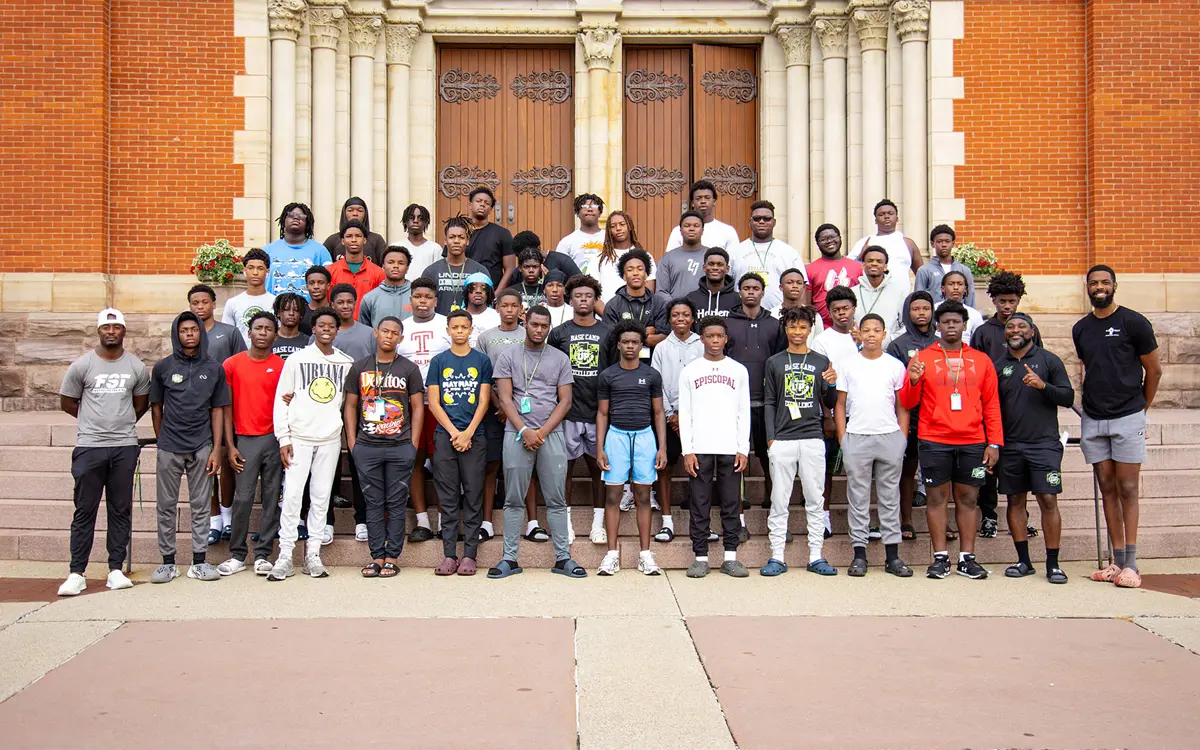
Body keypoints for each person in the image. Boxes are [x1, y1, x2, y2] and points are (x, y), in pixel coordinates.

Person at [900, 300, 1003, 580]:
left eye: (956, 322)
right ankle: (940, 557)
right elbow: (908, 402)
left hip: (972, 440)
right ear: (937, 325)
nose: (951, 326)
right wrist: (912, 380)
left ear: (964, 325)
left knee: (969, 498)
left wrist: (994, 442)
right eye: (945, 322)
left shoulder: (981, 360)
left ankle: (967, 558)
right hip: (934, 438)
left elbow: (992, 403)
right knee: (936, 498)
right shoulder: (922, 358)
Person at [1072, 265, 1161, 588]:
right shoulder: (1081, 328)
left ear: (1114, 286)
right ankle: (1117, 560)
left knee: (1128, 487)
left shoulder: (1133, 322)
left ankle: (1133, 565)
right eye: (1093, 283)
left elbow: (1154, 370)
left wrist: (1141, 409)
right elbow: (1089, 367)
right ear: (1087, 288)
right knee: (1106, 486)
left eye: (1104, 282)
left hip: (1128, 414)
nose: (1099, 287)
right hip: (1094, 417)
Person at [56, 309, 150, 597]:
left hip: (123, 446)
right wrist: (94, 423)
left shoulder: (136, 366)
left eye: (117, 327)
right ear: (98, 331)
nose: (111, 332)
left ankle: (115, 569)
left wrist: (118, 424)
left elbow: (141, 404)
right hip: (90, 446)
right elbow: (68, 402)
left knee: (120, 509)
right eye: (106, 327)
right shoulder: (82, 365)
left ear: (124, 331)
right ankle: (77, 572)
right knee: (85, 510)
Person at [488, 306, 583, 579]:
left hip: (550, 434)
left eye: (544, 326)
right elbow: (505, 398)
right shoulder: (508, 356)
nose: (539, 330)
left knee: (556, 499)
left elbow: (565, 401)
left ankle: (563, 558)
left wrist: (540, 432)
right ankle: (509, 558)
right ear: (525, 323)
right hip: (516, 434)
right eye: (535, 325)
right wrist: (525, 431)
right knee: (514, 498)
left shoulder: (560, 358)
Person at [269, 307, 355, 580]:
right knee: (293, 497)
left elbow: (345, 404)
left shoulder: (346, 363)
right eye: (321, 325)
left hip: (329, 439)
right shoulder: (296, 360)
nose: (327, 329)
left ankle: (313, 555)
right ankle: (284, 556)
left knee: (321, 497)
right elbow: (281, 399)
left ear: (337, 329)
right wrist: (284, 437)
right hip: (299, 439)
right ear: (314, 329)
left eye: (332, 325)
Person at [149, 311, 229, 584]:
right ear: (177, 334)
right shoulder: (162, 367)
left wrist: (216, 448)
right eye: (184, 331)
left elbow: (218, 410)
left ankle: (199, 561)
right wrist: (162, 441)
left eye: (193, 330)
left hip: (202, 445)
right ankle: (168, 562)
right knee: (166, 505)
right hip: (170, 446)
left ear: (200, 333)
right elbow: (156, 408)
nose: (189, 334)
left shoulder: (214, 368)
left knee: (200, 504)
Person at [995, 313, 1075, 584]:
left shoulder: (1049, 360)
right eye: (1010, 326)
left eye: (1021, 326)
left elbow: (1068, 397)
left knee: (1048, 500)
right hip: (1011, 445)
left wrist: (1043, 386)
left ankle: (1053, 564)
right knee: (1015, 501)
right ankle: (1023, 561)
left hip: (1044, 445)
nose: (1015, 330)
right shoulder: (998, 365)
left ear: (1032, 331)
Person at [760, 306, 837, 577]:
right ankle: (776, 556)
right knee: (779, 500)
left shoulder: (820, 361)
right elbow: (769, 401)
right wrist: (770, 438)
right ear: (786, 328)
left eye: (803, 327)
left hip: (812, 437)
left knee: (816, 499)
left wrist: (832, 384)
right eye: (792, 326)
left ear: (810, 329)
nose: (797, 332)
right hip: (782, 438)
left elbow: (828, 402)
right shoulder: (775, 362)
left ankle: (816, 555)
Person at [344, 316, 422, 579]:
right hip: (367, 446)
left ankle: (392, 557)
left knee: (397, 502)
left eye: (395, 333)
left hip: (400, 445)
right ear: (376, 333)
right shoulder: (360, 367)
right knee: (373, 502)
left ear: (401, 337)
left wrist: (413, 443)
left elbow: (418, 407)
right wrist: (353, 443)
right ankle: (376, 556)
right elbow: (350, 406)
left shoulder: (409, 369)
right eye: (385, 331)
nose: (389, 336)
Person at [836, 313, 913, 578]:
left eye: (876, 330)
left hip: (889, 436)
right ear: (858, 332)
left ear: (883, 334)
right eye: (866, 330)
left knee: (889, 497)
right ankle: (859, 554)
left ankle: (893, 556)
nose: (871, 335)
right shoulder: (848, 365)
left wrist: (901, 438)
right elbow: (840, 404)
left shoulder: (895, 365)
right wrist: (843, 439)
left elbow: (902, 405)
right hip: (857, 436)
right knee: (858, 498)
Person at [966, 269, 1041, 539]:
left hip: (1020, 406)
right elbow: (974, 366)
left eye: (1012, 301)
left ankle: (1023, 516)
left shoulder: (1030, 328)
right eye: (1001, 301)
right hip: (989, 405)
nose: (1007, 307)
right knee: (988, 464)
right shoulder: (985, 331)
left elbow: (1038, 360)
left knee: (1020, 466)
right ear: (993, 300)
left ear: (1019, 300)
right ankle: (988, 515)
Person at [679, 316, 751, 578]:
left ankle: (730, 556)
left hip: (730, 447)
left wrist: (743, 448)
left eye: (719, 336)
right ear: (702, 339)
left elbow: (744, 412)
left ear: (726, 338)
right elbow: (684, 413)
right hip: (700, 447)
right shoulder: (690, 370)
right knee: (700, 502)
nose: (715, 341)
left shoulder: (738, 370)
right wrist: (688, 450)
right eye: (710, 336)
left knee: (731, 502)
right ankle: (700, 557)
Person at [595, 321, 668, 576]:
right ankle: (611, 554)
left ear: (641, 345)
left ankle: (645, 555)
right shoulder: (608, 375)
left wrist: (662, 447)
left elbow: (658, 412)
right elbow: (602, 414)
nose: (630, 346)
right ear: (618, 344)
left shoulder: (651, 375)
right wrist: (600, 447)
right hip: (616, 437)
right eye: (625, 342)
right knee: (613, 496)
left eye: (634, 342)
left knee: (643, 496)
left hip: (645, 437)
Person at [217, 311, 284, 577]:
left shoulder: (281, 365)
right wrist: (230, 445)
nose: (263, 332)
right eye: (259, 328)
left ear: (274, 335)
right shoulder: (232, 365)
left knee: (271, 498)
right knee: (243, 498)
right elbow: (225, 407)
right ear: (249, 332)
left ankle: (263, 554)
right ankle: (237, 555)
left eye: (268, 328)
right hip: (244, 439)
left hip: (273, 438)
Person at [426, 310, 493, 577]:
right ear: (448, 329)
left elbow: (484, 400)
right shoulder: (439, 361)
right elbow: (434, 401)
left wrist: (468, 433)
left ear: (471, 329)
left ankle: (470, 555)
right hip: (446, 436)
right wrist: (455, 432)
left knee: (474, 494)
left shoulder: (482, 360)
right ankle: (449, 554)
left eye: (464, 327)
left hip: (474, 436)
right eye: (455, 327)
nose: (460, 331)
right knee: (448, 496)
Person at [548, 275, 612, 544]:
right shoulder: (559, 333)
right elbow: (549, 372)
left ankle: (598, 524)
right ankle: (566, 523)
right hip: (568, 413)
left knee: (600, 470)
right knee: (565, 470)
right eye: (578, 296)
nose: (583, 300)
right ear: (569, 299)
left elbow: (613, 372)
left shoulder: (608, 331)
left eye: (588, 296)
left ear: (595, 299)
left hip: (598, 412)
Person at [726, 273, 785, 541]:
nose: (751, 292)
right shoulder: (727, 323)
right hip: (734, 403)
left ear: (763, 292)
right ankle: (738, 519)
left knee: (769, 457)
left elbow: (781, 360)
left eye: (756, 288)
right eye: (746, 288)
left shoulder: (774, 325)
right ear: (740, 292)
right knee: (736, 458)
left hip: (767, 401)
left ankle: (774, 510)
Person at [187, 283, 245, 543]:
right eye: (195, 303)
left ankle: (229, 515)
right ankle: (214, 520)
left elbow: (242, 368)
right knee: (205, 464)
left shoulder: (229, 333)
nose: (200, 307)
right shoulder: (187, 333)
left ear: (214, 304)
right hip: (198, 409)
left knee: (226, 460)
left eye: (204, 302)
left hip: (227, 406)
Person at [394, 276, 451, 540]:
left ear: (435, 300)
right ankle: (422, 521)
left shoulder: (446, 326)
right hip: (409, 406)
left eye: (428, 297)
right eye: (418, 297)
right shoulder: (401, 330)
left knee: (442, 463)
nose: (422, 302)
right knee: (414, 461)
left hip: (443, 407)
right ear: (411, 300)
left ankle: (444, 521)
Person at [477, 289, 530, 539]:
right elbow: (483, 376)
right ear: (497, 307)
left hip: (524, 410)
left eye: (514, 306)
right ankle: (486, 522)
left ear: (521, 309)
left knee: (525, 466)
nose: (509, 310)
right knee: (491, 465)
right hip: (494, 409)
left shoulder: (528, 335)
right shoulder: (486, 337)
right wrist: (500, 406)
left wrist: (513, 409)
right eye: (504, 306)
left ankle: (531, 522)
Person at [650, 298, 703, 543]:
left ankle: (700, 523)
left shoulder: (702, 345)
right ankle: (667, 521)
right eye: (675, 315)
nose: (680, 319)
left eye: (685, 314)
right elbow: (657, 383)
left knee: (700, 468)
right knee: (666, 466)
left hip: (698, 417)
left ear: (693, 318)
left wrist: (690, 416)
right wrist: (672, 415)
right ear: (669, 319)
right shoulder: (662, 348)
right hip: (669, 417)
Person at [886, 292, 938, 540]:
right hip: (909, 417)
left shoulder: (941, 343)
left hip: (938, 419)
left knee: (937, 473)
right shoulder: (898, 345)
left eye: (925, 308)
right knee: (907, 472)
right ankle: (905, 520)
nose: (921, 313)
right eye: (915, 309)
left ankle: (940, 522)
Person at [812, 285, 862, 538]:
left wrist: (861, 344)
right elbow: (821, 382)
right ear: (829, 312)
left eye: (845, 308)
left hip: (863, 414)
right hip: (833, 412)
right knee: (827, 470)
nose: (841, 313)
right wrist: (828, 416)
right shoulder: (823, 341)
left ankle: (862, 520)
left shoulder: (864, 336)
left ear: (854, 309)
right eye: (836, 310)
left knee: (861, 470)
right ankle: (824, 517)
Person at [731, 200, 807, 311]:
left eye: (767, 218)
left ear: (774, 222)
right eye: (757, 219)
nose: (761, 222)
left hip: (781, 316)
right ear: (750, 222)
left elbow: (802, 288)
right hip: (742, 315)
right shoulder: (736, 251)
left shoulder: (789, 252)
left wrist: (800, 314)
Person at [601, 248, 669, 353]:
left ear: (646, 274)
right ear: (624, 276)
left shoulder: (659, 303)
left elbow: (665, 337)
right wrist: (646, 332)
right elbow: (612, 340)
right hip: (621, 363)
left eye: (640, 269)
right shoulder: (613, 305)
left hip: (652, 364)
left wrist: (627, 335)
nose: (635, 273)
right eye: (630, 269)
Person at [587, 210, 653, 307]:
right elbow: (592, 293)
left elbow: (649, 288)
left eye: (622, 224)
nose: (618, 228)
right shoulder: (598, 260)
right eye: (613, 226)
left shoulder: (644, 257)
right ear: (609, 231)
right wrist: (609, 315)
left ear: (629, 226)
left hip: (639, 317)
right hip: (607, 318)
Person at [264, 203, 332, 297]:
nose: (296, 218)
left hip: (309, 309)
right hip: (273, 308)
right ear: (283, 220)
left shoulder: (320, 251)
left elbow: (329, 282)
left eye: (301, 216)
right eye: (291, 215)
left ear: (307, 222)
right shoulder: (268, 250)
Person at [425, 215, 488, 316]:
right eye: (452, 237)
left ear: (467, 241)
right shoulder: (431, 271)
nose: (456, 241)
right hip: (440, 327)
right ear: (445, 241)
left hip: (471, 327)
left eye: (461, 237)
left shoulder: (479, 271)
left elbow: (487, 304)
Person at [848, 198, 923, 282]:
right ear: (875, 220)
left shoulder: (908, 243)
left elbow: (922, 274)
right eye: (881, 214)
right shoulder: (864, 242)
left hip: (902, 294)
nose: (886, 216)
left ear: (897, 218)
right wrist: (860, 256)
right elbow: (848, 271)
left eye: (890, 213)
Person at [806, 224, 863, 328]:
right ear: (817, 243)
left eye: (833, 237)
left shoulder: (858, 267)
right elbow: (807, 305)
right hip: (822, 328)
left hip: (854, 328)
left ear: (840, 238)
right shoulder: (809, 269)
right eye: (823, 239)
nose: (829, 241)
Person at [327, 220, 385, 316]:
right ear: (342, 241)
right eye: (349, 236)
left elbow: (380, 303)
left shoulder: (378, 272)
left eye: (358, 236)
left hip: (367, 327)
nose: (354, 240)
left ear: (365, 240)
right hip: (337, 328)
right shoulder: (330, 271)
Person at [665, 180, 739, 253]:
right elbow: (670, 259)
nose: (703, 201)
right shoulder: (679, 231)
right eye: (698, 198)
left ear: (714, 202)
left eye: (707, 197)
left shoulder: (728, 231)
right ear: (693, 203)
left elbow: (733, 261)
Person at [851, 246, 907, 343]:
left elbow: (906, 325)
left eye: (879, 261)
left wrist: (889, 341)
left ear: (885, 266)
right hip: (858, 349)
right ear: (863, 265)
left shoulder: (899, 291)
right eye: (870, 260)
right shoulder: (852, 292)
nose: (874, 264)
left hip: (889, 351)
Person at [222, 248, 276, 345]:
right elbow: (227, 336)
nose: (255, 272)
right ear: (244, 271)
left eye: (260, 268)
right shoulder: (233, 303)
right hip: (240, 356)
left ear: (267, 272)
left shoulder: (276, 302)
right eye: (251, 268)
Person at [914, 225, 975, 307]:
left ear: (953, 243)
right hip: (935, 316)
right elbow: (919, 297)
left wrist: (970, 315)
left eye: (947, 241)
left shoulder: (964, 270)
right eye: (939, 241)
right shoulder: (924, 270)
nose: (943, 245)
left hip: (960, 315)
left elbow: (970, 296)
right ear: (932, 244)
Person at [465, 187, 515, 286]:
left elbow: (510, 269)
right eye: (478, 201)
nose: (482, 204)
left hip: (491, 291)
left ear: (491, 209)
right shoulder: (459, 232)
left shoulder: (502, 234)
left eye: (487, 203)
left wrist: (496, 295)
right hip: (462, 290)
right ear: (470, 205)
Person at [502, 230, 582, 290]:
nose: (524, 259)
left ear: (538, 248)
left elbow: (582, 285)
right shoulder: (518, 273)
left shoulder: (563, 261)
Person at [657, 211, 708, 300]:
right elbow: (662, 291)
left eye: (696, 226)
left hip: (706, 311)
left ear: (702, 230)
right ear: (680, 230)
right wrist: (676, 307)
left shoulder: (711, 256)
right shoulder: (668, 258)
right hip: (677, 312)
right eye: (687, 225)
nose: (691, 229)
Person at [359, 245, 413, 327]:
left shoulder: (416, 296)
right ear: (383, 267)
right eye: (390, 262)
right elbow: (364, 331)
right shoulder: (370, 298)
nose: (395, 266)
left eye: (401, 263)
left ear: (407, 268)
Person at [323, 196, 388, 264]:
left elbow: (384, 264)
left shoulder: (376, 240)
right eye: (350, 210)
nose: (355, 214)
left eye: (360, 211)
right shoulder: (332, 240)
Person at [684, 247, 738, 319]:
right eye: (711, 264)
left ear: (727, 269)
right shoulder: (691, 299)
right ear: (704, 267)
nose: (715, 268)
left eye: (720, 264)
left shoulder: (737, 300)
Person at [556, 193, 607, 269]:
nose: (589, 209)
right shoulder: (567, 242)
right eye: (584, 206)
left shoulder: (610, 238)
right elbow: (559, 267)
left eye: (594, 206)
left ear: (600, 212)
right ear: (577, 213)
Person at [940, 270, 984, 345]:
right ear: (943, 288)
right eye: (951, 284)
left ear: (966, 289)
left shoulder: (974, 314)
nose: (956, 288)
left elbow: (980, 340)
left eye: (960, 284)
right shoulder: (934, 310)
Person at [398, 203, 442, 274]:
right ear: (405, 221)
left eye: (420, 218)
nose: (415, 221)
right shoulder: (397, 247)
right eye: (412, 218)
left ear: (426, 222)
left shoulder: (435, 249)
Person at [463, 273, 500, 345]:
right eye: (473, 287)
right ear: (467, 292)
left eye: (483, 288)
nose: (478, 291)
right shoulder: (457, 316)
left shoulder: (498, 317)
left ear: (488, 293)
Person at [272, 293, 310, 359]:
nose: (291, 313)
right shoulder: (269, 339)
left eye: (296, 310)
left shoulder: (309, 342)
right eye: (286, 309)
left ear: (301, 314)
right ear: (278, 313)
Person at [513, 246, 548, 312]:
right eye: (527, 267)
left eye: (535, 267)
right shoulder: (512, 291)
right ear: (520, 268)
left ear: (541, 268)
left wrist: (549, 279)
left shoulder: (548, 291)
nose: (531, 270)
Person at [299, 265, 332, 336]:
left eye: (320, 283)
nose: (316, 287)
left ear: (328, 286)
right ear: (307, 287)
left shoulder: (336, 312)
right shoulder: (300, 313)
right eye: (312, 283)